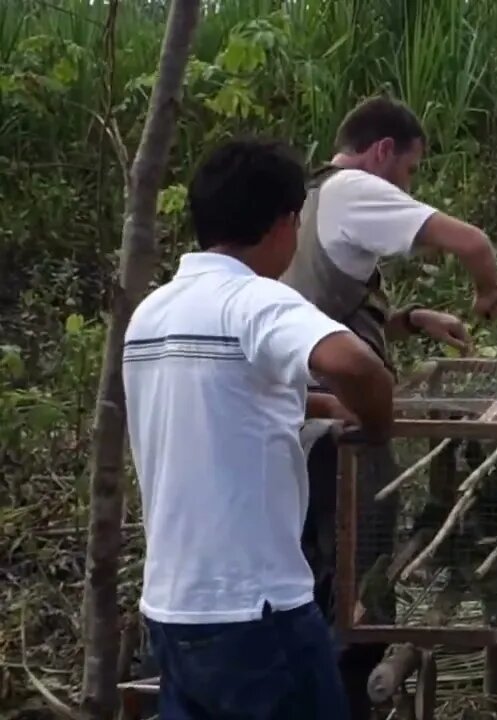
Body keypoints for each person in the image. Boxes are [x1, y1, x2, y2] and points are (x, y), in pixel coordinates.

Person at [123, 137, 395, 719]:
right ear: (284, 223)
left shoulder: (151, 313)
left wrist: (323, 410)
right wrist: (376, 421)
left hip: (172, 610)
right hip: (258, 610)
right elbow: (356, 365)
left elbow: (221, 408)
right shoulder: (258, 301)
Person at [278, 94, 497, 718]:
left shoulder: (312, 195)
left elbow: (320, 312)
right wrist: (489, 288)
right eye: (410, 169)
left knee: (315, 562)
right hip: (337, 426)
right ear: (383, 150)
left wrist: (406, 319)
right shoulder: (357, 186)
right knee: (359, 568)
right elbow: (471, 241)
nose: (408, 184)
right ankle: (349, 697)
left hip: (295, 420)